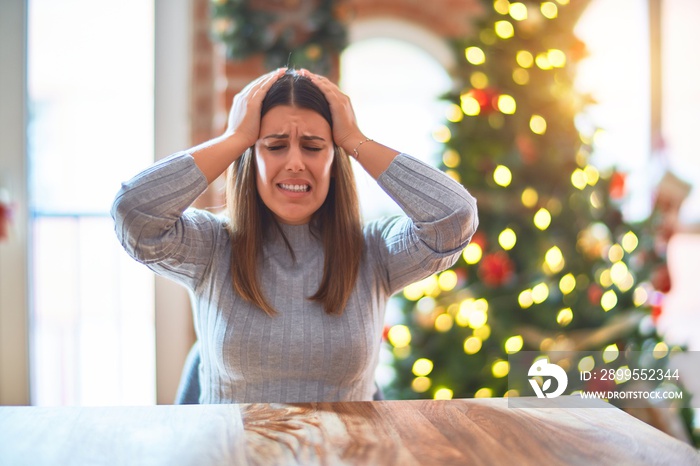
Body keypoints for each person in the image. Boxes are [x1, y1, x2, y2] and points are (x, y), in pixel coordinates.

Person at [112, 68, 478, 404]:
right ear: (249, 157)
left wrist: (354, 139)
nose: (295, 163)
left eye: (313, 147)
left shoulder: (374, 249)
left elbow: (453, 217)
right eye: (274, 146)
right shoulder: (211, 246)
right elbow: (134, 213)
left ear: (335, 162)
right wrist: (235, 137)